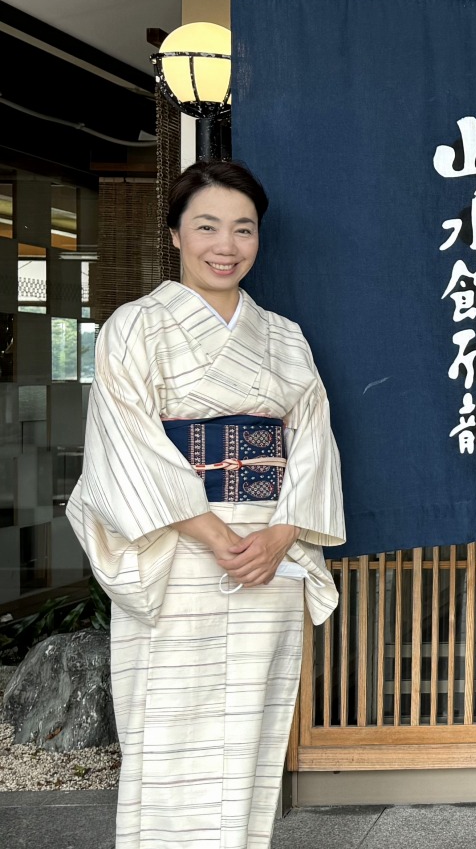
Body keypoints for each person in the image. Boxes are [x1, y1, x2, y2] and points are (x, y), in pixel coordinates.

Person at [67, 160, 345, 849]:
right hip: (176, 555)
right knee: (169, 733)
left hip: (266, 557)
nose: (227, 245)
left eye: (243, 228)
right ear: (175, 234)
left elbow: (312, 441)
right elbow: (123, 443)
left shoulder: (284, 337)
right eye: (208, 226)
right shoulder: (134, 327)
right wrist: (208, 530)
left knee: (250, 734)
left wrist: (282, 533)